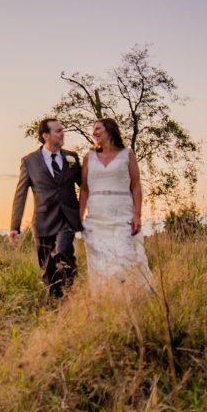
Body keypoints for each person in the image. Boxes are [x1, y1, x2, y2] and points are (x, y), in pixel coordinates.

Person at [9, 118, 84, 299]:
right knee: (47, 267)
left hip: (67, 219)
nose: (62, 133)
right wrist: (14, 226)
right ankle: (56, 301)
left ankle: (70, 291)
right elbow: (21, 194)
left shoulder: (71, 157)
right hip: (43, 221)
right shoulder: (29, 161)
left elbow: (85, 186)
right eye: (58, 131)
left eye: (62, 130)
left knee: (63, 252)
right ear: (45, 136)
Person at [79, 118, 154, 293]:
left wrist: (137, 214)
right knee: (100, 262)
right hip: (96, 218)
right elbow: (84, 189)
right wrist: (79, 216)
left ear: (110, 130)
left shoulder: (127, 154)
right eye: (93, 130)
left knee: (124, 257)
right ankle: (105, 301)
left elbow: (136, 186)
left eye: (98, 128)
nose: (94, 133)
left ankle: (131, 297)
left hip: (122, 216)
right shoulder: (89, 157)